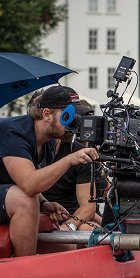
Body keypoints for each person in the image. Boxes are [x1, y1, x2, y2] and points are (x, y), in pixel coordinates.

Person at [0, 85, 99, 256]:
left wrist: (44, 203)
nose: (74, 123)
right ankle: (26, 271)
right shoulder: (14, 132)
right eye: (69, 116)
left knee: (65, 247)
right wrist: (69, 159)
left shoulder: (49, 141)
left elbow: (19, 179)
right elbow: (29, 185)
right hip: (14, 197)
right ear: (46, 114)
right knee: (24, 199)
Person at [27, 92, 100, 231]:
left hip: (73, 218)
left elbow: (89, 207)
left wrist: (69, 225)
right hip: (37, 215)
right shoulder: (25, 147)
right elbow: (27, 187)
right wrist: (44, 205)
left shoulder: (80, 153)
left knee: (87, 230)